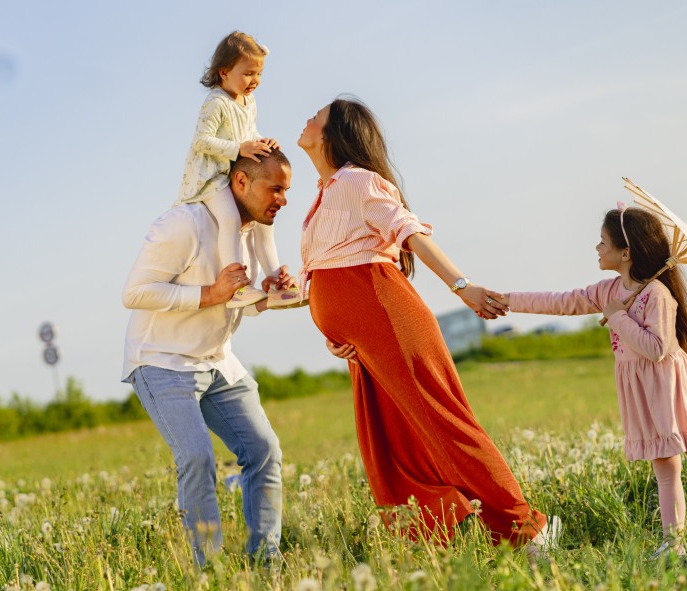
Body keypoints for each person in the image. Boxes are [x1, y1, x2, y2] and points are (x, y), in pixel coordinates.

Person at [296, 96, 557, 555]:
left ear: (334, 134)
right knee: (390, 440)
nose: (306, 119)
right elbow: (328, 272)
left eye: (316, 116)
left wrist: (462, 286)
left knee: (443, 423)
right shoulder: (325, 192)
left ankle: (526, 532)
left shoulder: (356, 180)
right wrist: (337, 333)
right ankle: (447, 531)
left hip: (390, 320)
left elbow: (409, 233)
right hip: (367, 340)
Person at [493, 204, 687, 557]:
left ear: (626, 252)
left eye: (603, 241)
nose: (597, 248)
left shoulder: (657, 295)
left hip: (669, 388)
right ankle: (673, 543)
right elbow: (562, 302)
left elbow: (656, 348)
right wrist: (508, 301)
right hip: (643, 391)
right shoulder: (609, 290)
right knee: (664, 467)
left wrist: (617, 318)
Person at [122, 150, 294, 564]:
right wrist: (211, 293)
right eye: (275, 189)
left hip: (218, 360)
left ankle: (266, 563)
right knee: (197, 458)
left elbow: (238, 302)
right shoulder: (183, 224)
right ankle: (209, 571)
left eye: (286, 190)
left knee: (265, 449)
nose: (283, 200)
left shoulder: (252, 233)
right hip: (161, 360)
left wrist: (269, 296)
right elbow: (135, 293)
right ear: (241, 182)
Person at [176, 31, 304, 310]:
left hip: (235, 172)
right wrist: (239, 149)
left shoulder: (249, 101)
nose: (255, 80)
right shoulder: (216, 102)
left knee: (263, 225)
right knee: (230, 218)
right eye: (248, 74)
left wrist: (261, 141)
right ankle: (237, 287)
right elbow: (201, 141)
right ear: (224, 72)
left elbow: (248, 132)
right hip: (212, 176)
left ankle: (277, 284)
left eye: (259, 74)